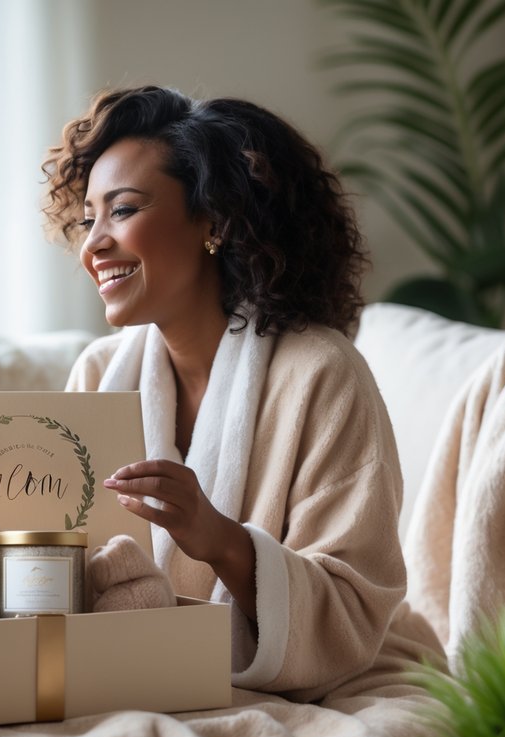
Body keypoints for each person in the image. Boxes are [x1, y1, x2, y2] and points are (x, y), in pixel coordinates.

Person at [44, 87, 437, 700]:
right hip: (131, 666)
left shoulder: (322, 373)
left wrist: (219, 538)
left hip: (327, 674)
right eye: (88, 216)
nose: (93, 244)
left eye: (122, 210)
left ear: (216, 221)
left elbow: (352, 605)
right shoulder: (98, 375)